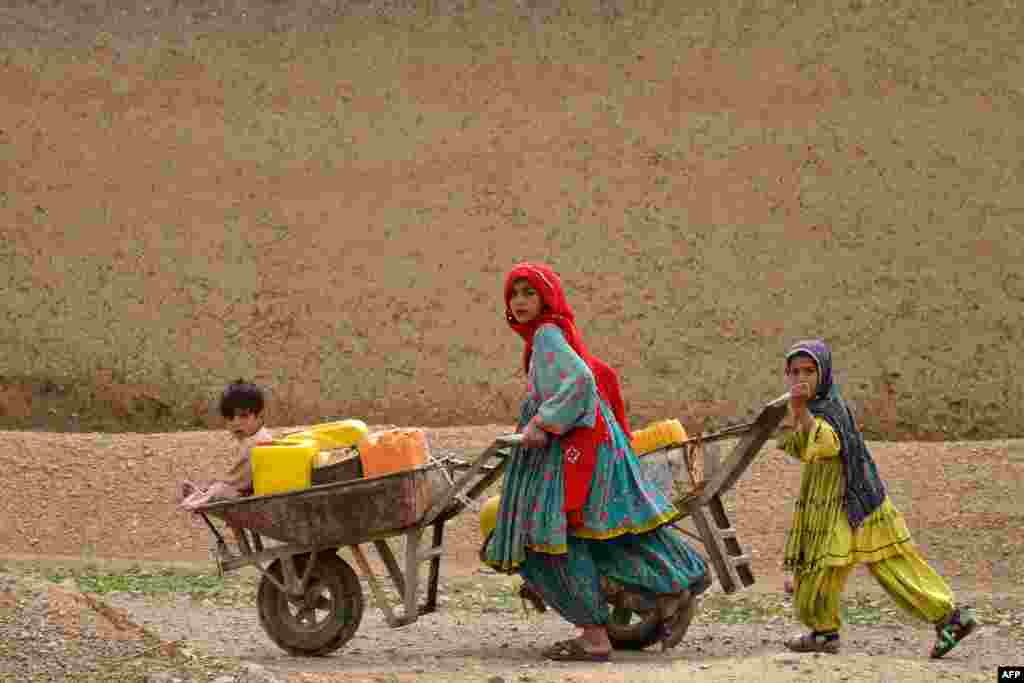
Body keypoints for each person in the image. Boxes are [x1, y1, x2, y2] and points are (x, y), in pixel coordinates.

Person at [483, 262, 710, 662]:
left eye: (529, 293)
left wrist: (542, 422)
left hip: (577, 449)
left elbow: (582, 382)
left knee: (549, 539)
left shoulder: (548, 336)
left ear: (547, 298)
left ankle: (594, 637)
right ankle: (674, 586)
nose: (519, 301)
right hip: (590, 444)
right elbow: (595, 374)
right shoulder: (552, 333)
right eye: (514, 294)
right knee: (597, 537)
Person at [777, 339, 976, 658]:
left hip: (857, 501)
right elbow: (802, 447)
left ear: (824, 372)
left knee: (889, 564)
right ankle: (824, 633)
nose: (802, 378)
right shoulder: (815, 409)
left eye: (809, 371)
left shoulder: (829, 408)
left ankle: (951, 618)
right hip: (828, 504)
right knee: (819, 567)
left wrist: (799, 411)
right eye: (795, 372)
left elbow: (827, 446)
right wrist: (797, 414)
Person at [177, 380, 274, 526]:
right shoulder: (254, 439)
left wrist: (218, 485)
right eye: (230, 418)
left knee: (220, 490)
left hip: (259, 501)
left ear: (259, 416)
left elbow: (237, 482)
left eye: (243, 416)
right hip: (256, 495)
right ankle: (202, 495)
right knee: (218, 486)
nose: (236, 423)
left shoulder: (258, 444)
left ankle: (199, 499)